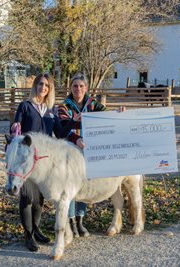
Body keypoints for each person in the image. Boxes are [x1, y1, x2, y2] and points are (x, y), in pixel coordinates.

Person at [10, 73, 79, 252]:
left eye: (47, 86)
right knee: (26, 198)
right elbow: (16, 125)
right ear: (35, 86)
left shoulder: (50, 110)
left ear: (50, 89)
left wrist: (73, 121)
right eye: (40, 84)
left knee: (39, 199)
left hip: (44, 163)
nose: (43, 88)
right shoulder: (25, 106)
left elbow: (61, 133)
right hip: (27, 161)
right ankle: (29, 235)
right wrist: (15, 126)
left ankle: (37, 229)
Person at [58, 73, 107, 238]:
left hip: (88, 149)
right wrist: (76, 138)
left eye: (81, 86)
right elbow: (64, 126)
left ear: (86, 88)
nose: (78, 89)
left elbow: (108, 117)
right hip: (71, 149)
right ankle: (70, 221)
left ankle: (80, 220)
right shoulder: (64, 106)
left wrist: (119, 113)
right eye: (75, 86)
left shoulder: (93, 104)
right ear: (70, 88)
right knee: (71, 186)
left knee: (84, 185)